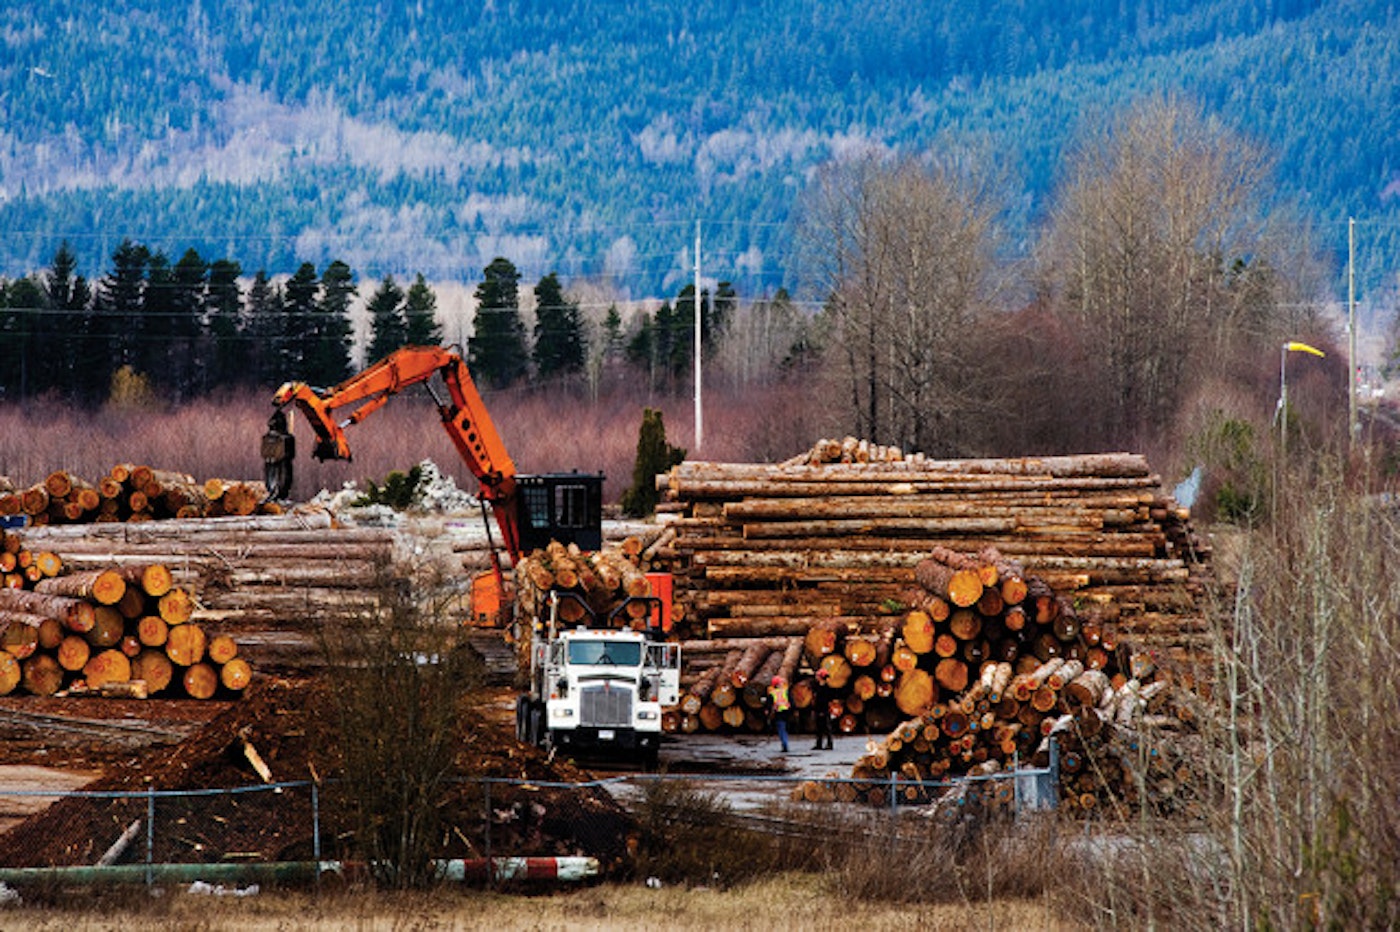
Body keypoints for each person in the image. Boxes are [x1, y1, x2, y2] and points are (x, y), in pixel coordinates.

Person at [766, 675, 791, 753]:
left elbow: (769, 704)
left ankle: (785, 744)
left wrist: (768, 712)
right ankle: (785, 743)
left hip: (778, 712)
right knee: (785, 729)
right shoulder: (785, 691)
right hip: (786, 712)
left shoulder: (772, 693)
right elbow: (791, 702)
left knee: (781, 729)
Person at [812, 668, 835, 750]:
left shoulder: (826, 688)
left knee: (827, 727)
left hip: (824, 710)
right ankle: (819, 744)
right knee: (819, 728)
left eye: (818, 676)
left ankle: (829, 744)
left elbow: (826, 700)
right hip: (818, 709)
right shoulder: (817, 686)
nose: (816, 677)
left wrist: (823, 710)